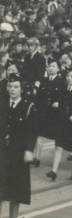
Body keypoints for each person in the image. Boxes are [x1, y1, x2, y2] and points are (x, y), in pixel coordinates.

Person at [0, 74, 37, 218]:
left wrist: (29, 150)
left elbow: (32, 132)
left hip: (18, 155)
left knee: (15, 194)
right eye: (10, 86)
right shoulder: (2, 104)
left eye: (16, 87)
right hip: (2, 153)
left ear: (22, 89)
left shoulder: (28, 107)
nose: (12, 89)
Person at [47, 68, 72, 181]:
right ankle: (54, 171)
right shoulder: (63, 89)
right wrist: (57, 104)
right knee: (58, 146)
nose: (69, 78)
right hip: (63, 122)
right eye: (68, 76)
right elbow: (62, 102)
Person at [33, 58, 65, 167]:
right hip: (43, 113)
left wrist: (59, 103)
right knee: (39, 134)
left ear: (58, 69)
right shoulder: (43, 80)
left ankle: (56, 161)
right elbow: (38, 97)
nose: (51, 68)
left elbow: (64, 97)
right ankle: (36, 158)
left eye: (54, 66)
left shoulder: (62, 82)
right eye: (49, 66)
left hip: (55, 114)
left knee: (57, 137)